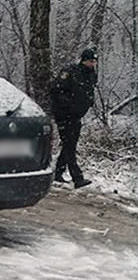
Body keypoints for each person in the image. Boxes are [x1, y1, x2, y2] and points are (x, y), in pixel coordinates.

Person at [50, 47, 97, 189]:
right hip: (64, 114)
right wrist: (68, 106)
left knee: (70, 144)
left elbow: (89, 91)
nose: (92, 64)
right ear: (83, 60)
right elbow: (56, 90)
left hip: (77, 114)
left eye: (94, 61)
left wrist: (89, 102)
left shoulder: (91, 74)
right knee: (70, 145)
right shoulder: (70, 72)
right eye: (90, 61)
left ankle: (58, 173)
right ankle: (77, 178)